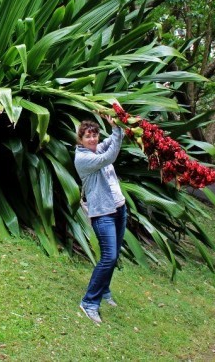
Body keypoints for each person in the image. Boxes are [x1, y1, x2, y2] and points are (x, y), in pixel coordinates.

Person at [74, 115, 126, 325]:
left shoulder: (98, 148)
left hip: (119, 208)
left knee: (113, 255)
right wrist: (117, 130)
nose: (93, 139)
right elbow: (110, 156)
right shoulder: (83, 158)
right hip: (103, 214)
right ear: (80, 139)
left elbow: (112, 141)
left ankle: (104, 289)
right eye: (88, 136)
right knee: (109, 257)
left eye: (95, 135)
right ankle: (89, 302)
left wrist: (120, 124)